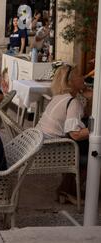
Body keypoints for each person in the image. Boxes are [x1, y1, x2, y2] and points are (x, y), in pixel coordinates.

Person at [36, 64, 90, 205]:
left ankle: (65, 190)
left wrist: (88, 97)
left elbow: (83, 117)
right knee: (94, 153)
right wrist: (95, 130)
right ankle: (70, 191)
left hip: (40, 144)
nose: (83, 77)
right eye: (79, 76)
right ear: (71, 82)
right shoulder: (73, 102)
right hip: (51, 151)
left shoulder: (60, 96)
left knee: (84, 146)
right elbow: (75, 135)